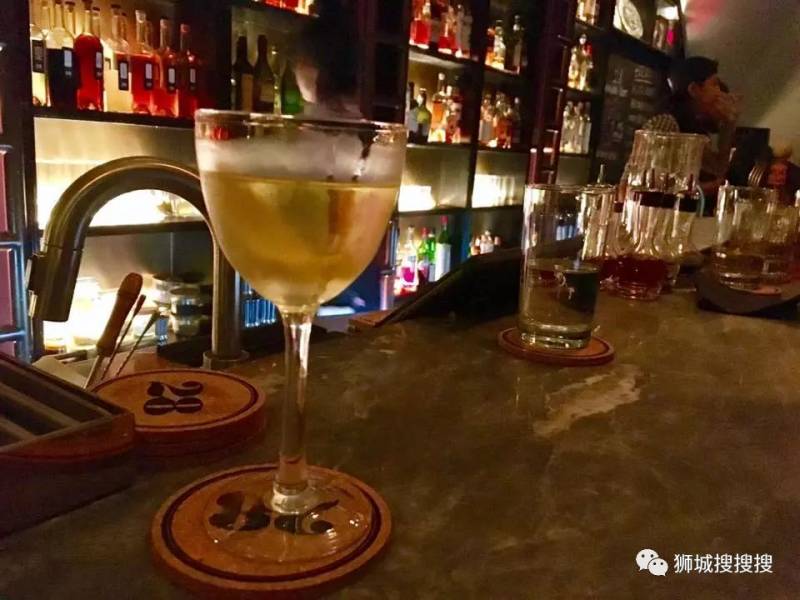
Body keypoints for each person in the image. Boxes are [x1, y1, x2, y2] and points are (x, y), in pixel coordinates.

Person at [642, 56, 741, 202]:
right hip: (647, 212)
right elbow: (650, 182)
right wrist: (703, 189)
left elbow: (717, 168)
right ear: (694, 90)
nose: (720, 93)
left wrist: (728, 124)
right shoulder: (666, 123)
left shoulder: (694, 129)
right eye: (714, 85)